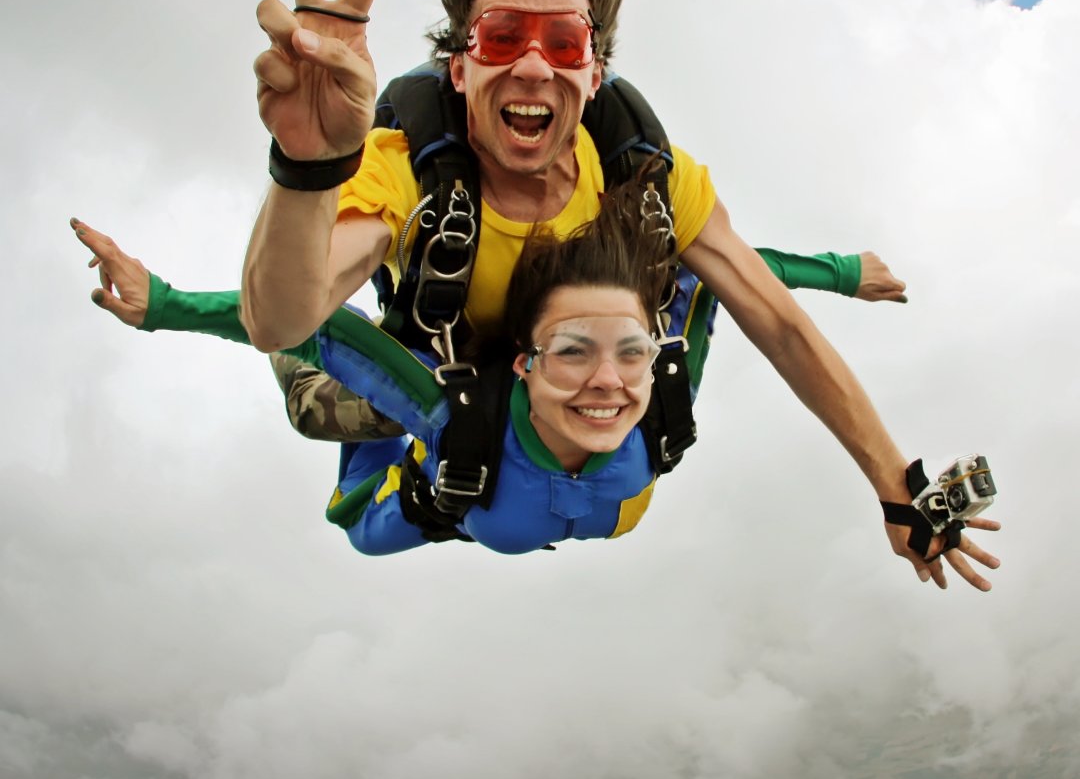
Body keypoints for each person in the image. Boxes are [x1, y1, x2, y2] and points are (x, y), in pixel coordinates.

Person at [241, 0, 997, 588]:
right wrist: (310, 166)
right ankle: (290, 301)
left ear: (595, 73)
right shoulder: (404, 170)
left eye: (564, 43)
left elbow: (777, 322)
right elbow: (284, 318)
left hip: (560, 378)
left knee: (682, 292)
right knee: (318, 398)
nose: (534, 63)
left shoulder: (648, 182)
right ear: (460, 69)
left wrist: (899, 485)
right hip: (451, 371)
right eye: (502, 37)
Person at [72, 198, 919, 556]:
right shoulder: (452, 421)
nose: (608, 385)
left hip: (490, 474)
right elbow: (311, 324)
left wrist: (843, 271)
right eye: (574, 355)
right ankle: (390, 263)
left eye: (628, 351)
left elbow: (724, 281)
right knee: (320, 405)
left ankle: (408, 289)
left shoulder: (656, 395)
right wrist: (166, 303)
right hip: (427, 466)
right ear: (529, 362)